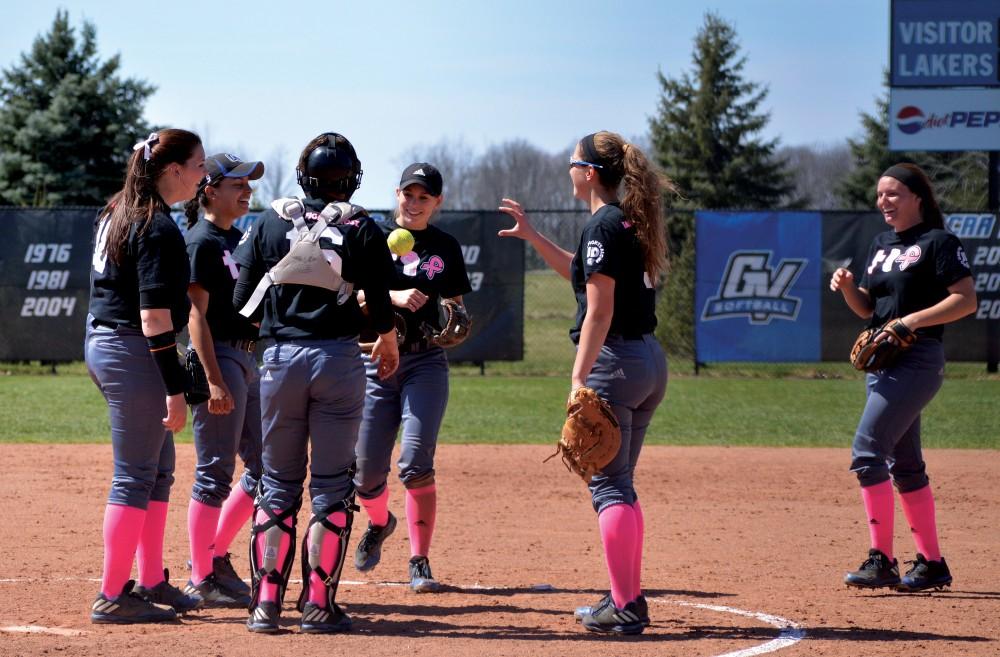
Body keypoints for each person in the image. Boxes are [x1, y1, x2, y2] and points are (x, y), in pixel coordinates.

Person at [499, 131, 671, 635]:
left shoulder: (602, 223)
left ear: (590, 172)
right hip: (647, 361)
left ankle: (625, 607)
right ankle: (627, 596)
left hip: (615, 362)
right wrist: (533, 236)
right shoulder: (626, 220)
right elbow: (582, 274)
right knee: (621, 483)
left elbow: (599, 310)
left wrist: (578, 378)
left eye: (573, 162)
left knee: (608, 486)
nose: (569, 169)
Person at [232, 132, 399, 634]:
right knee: (330, 487)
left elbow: (244, 300)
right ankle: (318, 606)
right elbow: (380, 300)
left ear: (304, 177)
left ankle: (265, 606)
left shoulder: (268, 221)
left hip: (281, 359)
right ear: (350, 179)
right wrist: (387, 339)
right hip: (339, 361)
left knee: (278, 484)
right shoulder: (363, 227)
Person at [831, 163, 976, 593]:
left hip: (917, 359)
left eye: (893, 194)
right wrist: (847, 288)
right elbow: (868, 309)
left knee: (867, 451)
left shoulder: (939, 242)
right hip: (883, 364)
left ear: (918, 198)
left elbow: (965, 300)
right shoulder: (880, 245)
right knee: (906, 465)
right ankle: (932, 564)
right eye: (879, 195)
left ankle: (882, 559)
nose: (883, 202)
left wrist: (911, 321)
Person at [86, 128, 206, 623]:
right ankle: (112, 594)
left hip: (112, 342)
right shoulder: (154, 225)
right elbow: (154, 319)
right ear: (173, 170)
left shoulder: (119, 208)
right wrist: (176, 390)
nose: (204, 175)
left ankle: (152, 579)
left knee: (158, 471)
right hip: (132, 348)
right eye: (198, 165)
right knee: (135, 475)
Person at [352, 163, 472, 592]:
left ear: (437, 202)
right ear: (396, 193)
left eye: (424, 197)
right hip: (375, 361)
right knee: (365, 474)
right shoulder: (370, 238)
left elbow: (455, 304)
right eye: (409, 193)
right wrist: (393, 295)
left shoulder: (445, 246)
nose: (415, 203)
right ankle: (380, 523)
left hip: (425, 362)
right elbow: (352, 295)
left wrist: (454, 319)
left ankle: (419, 560)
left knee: (416, 461)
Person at [181, 153, 265, 606]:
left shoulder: (239, 238)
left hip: (249, 360)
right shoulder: (202, 241)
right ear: (211, 189)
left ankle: (212, 555)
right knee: (214, 472)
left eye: (248, 182)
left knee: (265, 466)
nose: (247, 189)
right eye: (238, 183)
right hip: (221, 359)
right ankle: (201, 576)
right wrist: (213, 379)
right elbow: (195, 315)